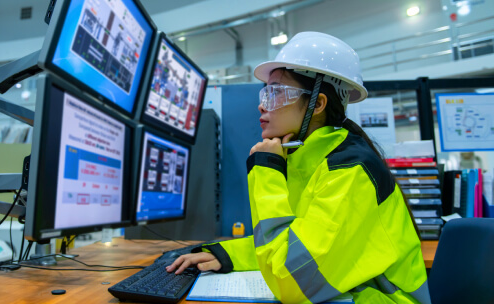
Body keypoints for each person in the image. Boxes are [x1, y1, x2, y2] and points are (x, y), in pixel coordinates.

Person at [166, 32, 430, 304]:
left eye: (276, 93)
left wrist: (267, 172)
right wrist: (227, 255)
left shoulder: (349, 171)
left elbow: (291, 281)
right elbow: (297, 245)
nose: (262, 104)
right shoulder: (308, 159)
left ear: (317, 104)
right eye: (266, 93)